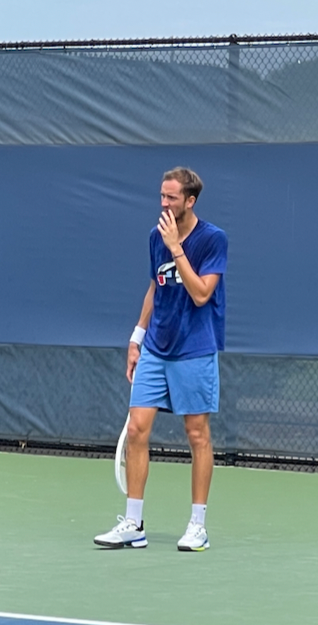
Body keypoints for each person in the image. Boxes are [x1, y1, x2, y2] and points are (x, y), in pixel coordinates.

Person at [94, 167, 227, 552]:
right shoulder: (156, 236)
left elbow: (202, 293)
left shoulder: (213, 240)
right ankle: (134, 523)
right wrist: (137, 336)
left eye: (171, 197)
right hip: (156, 345)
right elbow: (156, 285)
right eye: (161, 196)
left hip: (195, 348)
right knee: (137, 429)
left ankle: (197, 525)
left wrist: (176, 248)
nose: (164, 203)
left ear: (190, 201)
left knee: (197, 434)